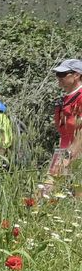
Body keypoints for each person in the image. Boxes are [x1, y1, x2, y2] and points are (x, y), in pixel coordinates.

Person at [41, 58, 82, 196]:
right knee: (48, 192)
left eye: (62, 74)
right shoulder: (66, 98)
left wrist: (69, 156)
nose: (58, 77)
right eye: (57, 74)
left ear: (76, 75)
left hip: (75, 152)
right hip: (64, 150)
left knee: (75, 195)